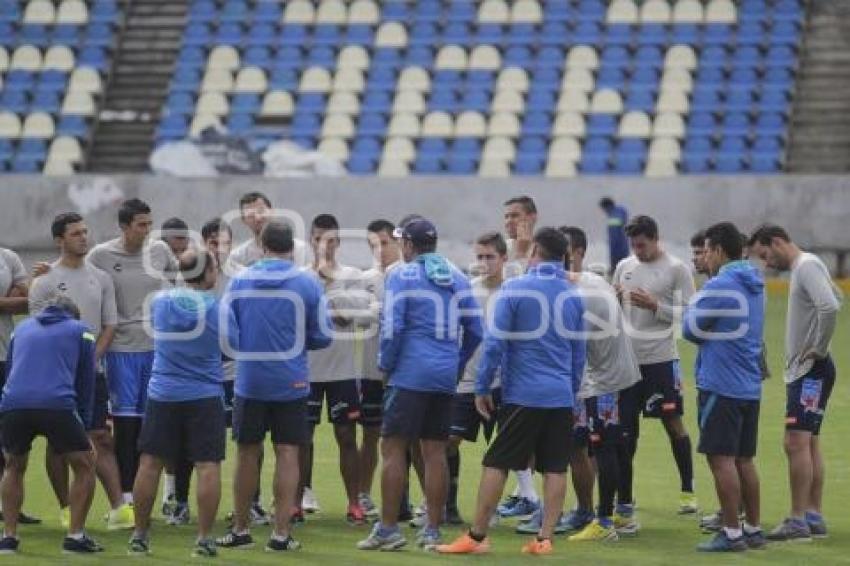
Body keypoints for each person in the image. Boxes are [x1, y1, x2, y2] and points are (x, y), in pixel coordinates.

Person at [437, 227, 585, 556]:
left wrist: (482, 386)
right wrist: (571, 391)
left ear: (534, 252)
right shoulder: (573, 295)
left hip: (524, 394)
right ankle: (544, 539)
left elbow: (494, 344)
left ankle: (476, 537)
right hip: (560, 393)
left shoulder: (515, 288)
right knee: (556, 467)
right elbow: (579, 352)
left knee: (496, 462)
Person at [358, 218, 482, 551]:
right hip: (443, 376)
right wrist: (455, 365)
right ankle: (431, 531)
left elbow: (393, 326)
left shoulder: (400, 274)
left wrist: (386, 364)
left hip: (409, 374)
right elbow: (476, 331)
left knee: (393, 448)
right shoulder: (457, 276)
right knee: (435, 452)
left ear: (409, 245)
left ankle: (388, 529)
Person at [217, 221, 332, 552]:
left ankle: (240, 529)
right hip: (291, 379)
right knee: (287, 453)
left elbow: (227, 332)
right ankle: (281, 534)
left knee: (246, 452)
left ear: (262, 245)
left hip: (250, 379)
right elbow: (323, 334)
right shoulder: (307, 284)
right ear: (292, 249)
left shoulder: (240, 281)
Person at [29, 213, 133, 531]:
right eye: (76, 233)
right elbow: (38, 330)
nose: (83, 238)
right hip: (56, 375)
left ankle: (119, 508)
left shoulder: (100, 278)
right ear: (60, 239)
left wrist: (90, 359)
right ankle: (66, 507)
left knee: (100, 437)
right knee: (58, 444)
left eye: (86, 232)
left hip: (92, 372)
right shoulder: (44, 281)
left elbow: (110, 324)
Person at [129, 250, 232, 558]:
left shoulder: (160, 302)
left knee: (150, 464)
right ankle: (203, 539)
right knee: (207, 465)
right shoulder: (218, 308)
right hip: (204, 394)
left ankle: (140, 534)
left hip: (163, 393)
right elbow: (232, 346)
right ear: (209, 272)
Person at [749, 224, 843, 542]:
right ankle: (813, 515)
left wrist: (819, 344)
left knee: (795, 443)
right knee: (808, 442)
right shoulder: (808, 266)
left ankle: (798, 519)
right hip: (809, 371)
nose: (767, 263)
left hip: (810, 372)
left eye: (765, 254)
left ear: (776, 242)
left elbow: (830, 306)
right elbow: (837, 298)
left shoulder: (805, 266)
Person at [683, 222, 766, 552]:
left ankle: (731, 533)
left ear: (718, 250)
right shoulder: (755, 282)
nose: (705, 257)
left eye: (706, 250)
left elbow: (690, 329)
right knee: (745, 460)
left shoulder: (721, 285)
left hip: (721, 384)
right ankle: (754, 529)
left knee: (721, 460)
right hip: (749, 385)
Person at [87, 198, 177, 505]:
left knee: (153, 422)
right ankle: (126, 494)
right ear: (124, 226)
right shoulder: (100, 256)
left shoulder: (161, 251)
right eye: (142, 225)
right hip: (121, 349)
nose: (148, 230)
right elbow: (83, 285)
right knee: (126, 423)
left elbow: (181, 285)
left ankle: (154, 490)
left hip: (157, 348)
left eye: (150, 223)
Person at [558, 226, 642, 543]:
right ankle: (624, 512)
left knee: (604, 448)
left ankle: (604, 522)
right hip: (624, 375)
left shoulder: (576, 295)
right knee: (618, 447)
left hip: (604, 381)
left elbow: (568, 346)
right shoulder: (595, 280)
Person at [0, 296, 101, 554]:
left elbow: (11, 369)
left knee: (13, 465)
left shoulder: (21, 329)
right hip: (57, 403)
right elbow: (86, 379)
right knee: (86, 463)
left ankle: (8, 537)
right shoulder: (82, 331)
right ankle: (75, 537)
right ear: (73, 315)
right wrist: (85, 423)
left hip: (14, 403)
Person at [612, 215, 698, 515]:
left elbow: (690, 314)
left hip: (661, 361)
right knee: (624, 432)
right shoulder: (625, 266)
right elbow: (614, 304)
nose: (638, 251)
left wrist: (655, 306)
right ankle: (625, 498)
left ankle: (688, 491)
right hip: (627, 364)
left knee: (673, 424)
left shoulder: (676, 269)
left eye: (642, 245)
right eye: (633, 245)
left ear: (655, 238)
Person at [305, 214, 372, 525]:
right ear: (310, 240)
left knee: (346, 436)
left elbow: (348, 319)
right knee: (301, 436)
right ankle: (298, 499)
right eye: (319, 239)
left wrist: (329, 283)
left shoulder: (352, 275)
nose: (324, 246)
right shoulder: (301, 277)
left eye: (330, 240)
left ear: (339, 242)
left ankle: (354, 502)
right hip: (306, 370)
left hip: (342, 371)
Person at [446, 232, 507, 526]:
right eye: (479, 257)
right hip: (468, 382)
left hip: (506, 383)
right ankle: (447, 505)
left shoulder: (513, 292)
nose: (483, 263)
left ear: (503, 258)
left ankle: (505, 507)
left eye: (489, 257)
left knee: (510, 448)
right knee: (450, 441)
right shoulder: (467, 291)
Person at [497, 196, 542, 521]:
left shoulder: (544, 253)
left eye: (515, 216)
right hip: (511, 353)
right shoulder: (505, 253)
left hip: (535, 355)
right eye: (506, 216)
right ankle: (523, 492)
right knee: (515, 428)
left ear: (531, 217)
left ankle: (532, 498)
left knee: (530, 431)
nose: (509, 222)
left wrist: (525, 252)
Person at [357, 219, 401, 520]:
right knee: (370, 434)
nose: (380, 250)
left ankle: (409, 500)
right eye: (373, 245)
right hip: (372, 370)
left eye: (384, 243)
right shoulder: (365, 278)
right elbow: (359, 317)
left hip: (402, 372)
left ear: (397, 243)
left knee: (405, 438)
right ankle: (363, 495)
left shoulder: (406, 275)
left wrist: (376, 311)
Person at [0, 246, 40, 525]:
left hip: (6, 357)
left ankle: (10, 507)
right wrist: (8, 298)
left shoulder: (8, 257)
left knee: (10, 439)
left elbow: (29, 301)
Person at [228, 191, 307, 271]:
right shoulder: (238, 256)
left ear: (272, 211)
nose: (258, 218)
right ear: (243, 220)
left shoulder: (300, 250)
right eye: (250, 215)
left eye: (261, 211)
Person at [598, 197, 629, 275]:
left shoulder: (614, 216)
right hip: (624, 246)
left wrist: (613, 263)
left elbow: (614, 235)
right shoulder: (621, 211)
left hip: (617, 249)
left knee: (617, 271)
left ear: (606, 207)